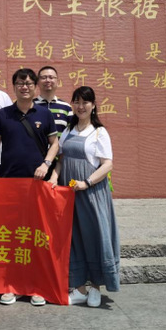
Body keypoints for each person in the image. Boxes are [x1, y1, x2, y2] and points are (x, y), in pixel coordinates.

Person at [0, 68, 59, 307]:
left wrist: (46, 164)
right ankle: (13, 285)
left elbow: (54, 143)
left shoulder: (44, 114)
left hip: (37, 185)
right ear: (14, 86)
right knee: (12, 237)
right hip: (10, 184)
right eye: (20, 83)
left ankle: (37, 286)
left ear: (35, 86)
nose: (25, 87)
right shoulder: (3, 114)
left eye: (29, 83)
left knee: (37, 237)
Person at [47, 86, 119, 308]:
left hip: (92, 194)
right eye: (76, 102)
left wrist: (86, 182)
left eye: (85, 102)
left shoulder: (99, 132)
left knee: (94, 237)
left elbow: (107, 164)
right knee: (74, 239)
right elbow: (61, 160)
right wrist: (54, 177)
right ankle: (79, 289)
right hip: (69, 195)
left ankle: (95, 287)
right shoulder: (68, 130)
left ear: (93, 105)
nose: (80, 106)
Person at [33, 66, 72, 138]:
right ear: (38, 82)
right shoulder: (30, 105)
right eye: (44, 77)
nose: (47, 80)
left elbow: (71, 134)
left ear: (57, 82)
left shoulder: (66, 107)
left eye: (51, 77)